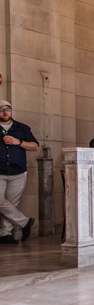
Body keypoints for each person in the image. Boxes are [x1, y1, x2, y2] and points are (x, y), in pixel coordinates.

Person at [0, 100, 39, 244]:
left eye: (8, 109)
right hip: (0, 171)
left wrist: (18, 142)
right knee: (2, 202)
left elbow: (35, 146)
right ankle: (25, 222)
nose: (5, 112)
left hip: (18, 171)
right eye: (1, 109)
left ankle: (5, 234)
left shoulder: (21, 128)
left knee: (11, 203)